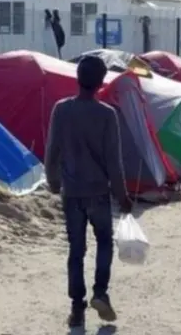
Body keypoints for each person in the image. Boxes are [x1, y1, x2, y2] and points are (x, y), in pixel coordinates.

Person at [44, 55, 133, 328]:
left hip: (72, 193)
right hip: (98, 193)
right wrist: (123, 196)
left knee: (76, 250)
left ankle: (76, 308)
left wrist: (54, 181)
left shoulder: (61, 109)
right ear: (100, 82)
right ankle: (100, 293)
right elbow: (113, 162)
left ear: (78, 77)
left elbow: (52, 152)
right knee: (104, 242)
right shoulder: (107, 115)